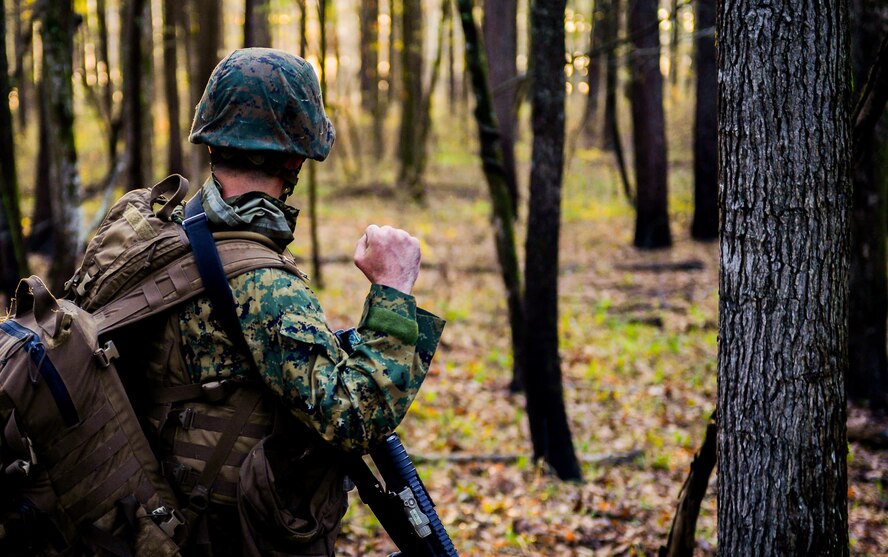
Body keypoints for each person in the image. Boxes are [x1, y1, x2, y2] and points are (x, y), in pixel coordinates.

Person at [148, 47, 444, 556]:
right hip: (219, 536)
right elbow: (353, 418)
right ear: (293, 159)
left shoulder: (160, 233)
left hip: (155, 516)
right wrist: (393, 293)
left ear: (213, 142)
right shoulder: (263, 285)